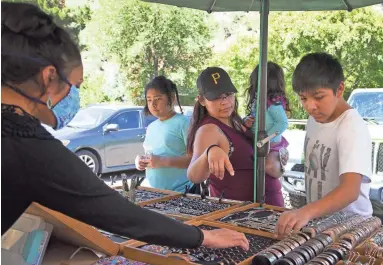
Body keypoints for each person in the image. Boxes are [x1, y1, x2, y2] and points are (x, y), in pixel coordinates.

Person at [1, 2, 249, 251]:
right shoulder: (26, 144)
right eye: (75, 86)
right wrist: (203, 237)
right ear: (49, 77)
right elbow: (112, 210)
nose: (74, 97)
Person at [275, 53, 373, 238]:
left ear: (339, 89)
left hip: (352, 231)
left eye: (319, 97)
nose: (310, 106)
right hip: (321, 225)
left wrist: (306, 211)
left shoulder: (351, 126)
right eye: (303, 98)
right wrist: (308, 213)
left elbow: (350, 190)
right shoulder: (314, 118)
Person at [187, 67, 285, 204]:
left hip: (264, 208)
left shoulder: (235, 120)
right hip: (239, 216)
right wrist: (210, 152)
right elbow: (193, 175)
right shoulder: (209, 130)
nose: (225, 102)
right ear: (202, 100)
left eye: (228, 94)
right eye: (215, 97)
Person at [134, 76, 192, 192]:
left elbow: (195, 160)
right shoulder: (151, 127)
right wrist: (139, 161)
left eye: (158, 98)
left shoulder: (185, 123)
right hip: (154, 192)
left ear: (172, 98)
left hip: (182, 192)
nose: (153, 104)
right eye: (149, 100)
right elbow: (151, 156)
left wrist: (162, 161)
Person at [243, 62, 290, 178]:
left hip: (271, 144)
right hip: (256, 142)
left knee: (269, 167)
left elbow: (282, 123)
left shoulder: (273, 102)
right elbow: (253, 116)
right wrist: (246, 120)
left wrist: (265, 137)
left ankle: (281, 162)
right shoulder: (257, 99)